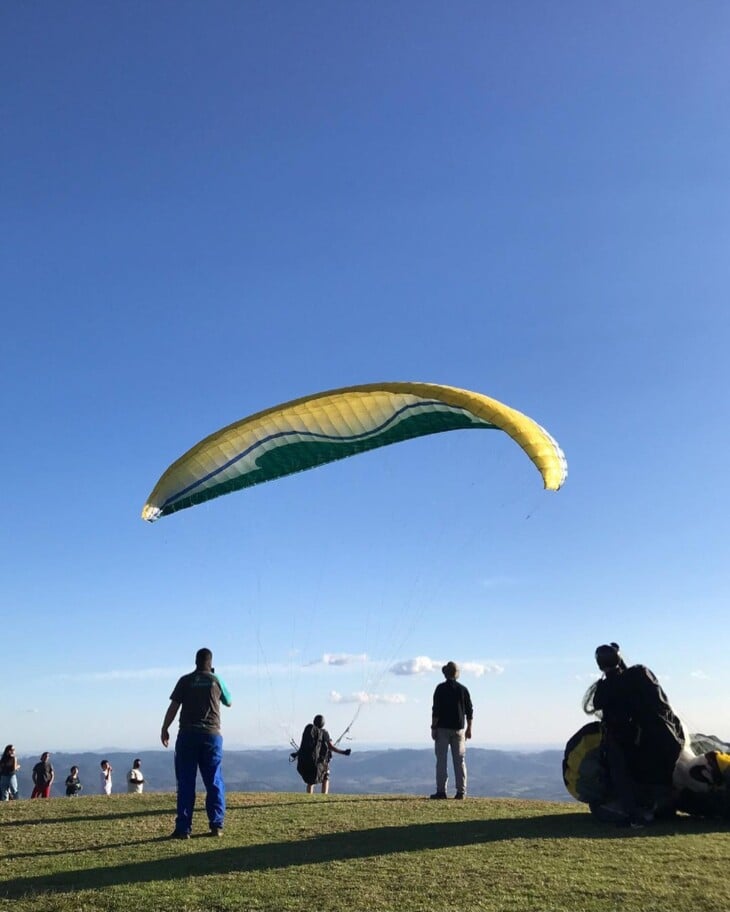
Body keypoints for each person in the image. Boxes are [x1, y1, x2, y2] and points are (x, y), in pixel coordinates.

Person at [584, 642, 685, 827]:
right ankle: (664, 810)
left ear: (600, 664)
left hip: (621, 739)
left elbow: (598, 703)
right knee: (655, 776)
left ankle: (636, 816)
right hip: (651, 738)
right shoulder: (638, 676)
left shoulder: (607, 687)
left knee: (621, 776)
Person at [161, 647, 232, 838]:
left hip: (187, 735)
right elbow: (229, 701)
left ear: (195, 662)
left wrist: (164, 728)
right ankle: (216, 825)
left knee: (185, 782)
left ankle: (183, 828)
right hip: (211, 736)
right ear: (211, 663)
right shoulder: (216, 680)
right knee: (214, 780)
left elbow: (173, 707)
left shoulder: (185, 680)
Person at [430, 661, 473, 799]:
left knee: (441, 761)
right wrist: (469, 728)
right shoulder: (463, 689)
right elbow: (469, 711)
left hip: (442, 729)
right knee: (459, 761)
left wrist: (433, 727)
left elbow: (436, 710)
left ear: (445, 674)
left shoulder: (440, 689)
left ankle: (441, 792)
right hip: (459, 730)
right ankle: (461, 792)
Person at [294, 714, 351, 794]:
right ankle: (323, 796)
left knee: (310, 781)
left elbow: (304, 746)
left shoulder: (310, 732)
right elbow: (331, 747)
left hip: (310, 760)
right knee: (325, 777)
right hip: (321, 761)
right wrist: (343, 752)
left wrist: (297, 754)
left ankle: (308, 796)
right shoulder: (324, 733)